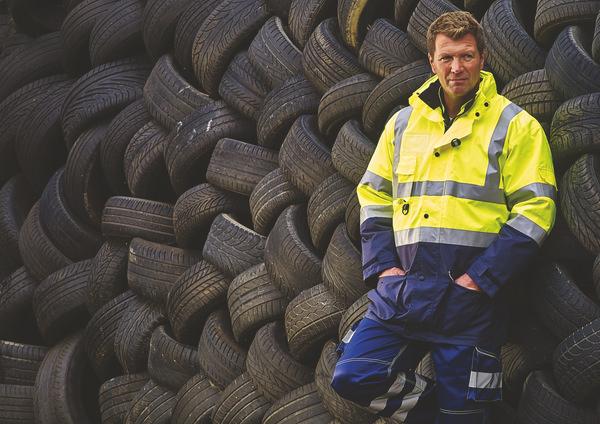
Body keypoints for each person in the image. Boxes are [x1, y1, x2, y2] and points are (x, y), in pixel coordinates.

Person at [330, 11, 556, 424]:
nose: (457, 68)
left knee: (465, 416)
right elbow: (373, 196)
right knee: (353, 374)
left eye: (466, 56)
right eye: (447, 58)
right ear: (431, 62)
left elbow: (536, 210)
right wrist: (383, 270)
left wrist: (479, 281)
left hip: (469, 305)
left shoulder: (515, 126)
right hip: (402, 294)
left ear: (483, 58)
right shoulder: (401, 125)